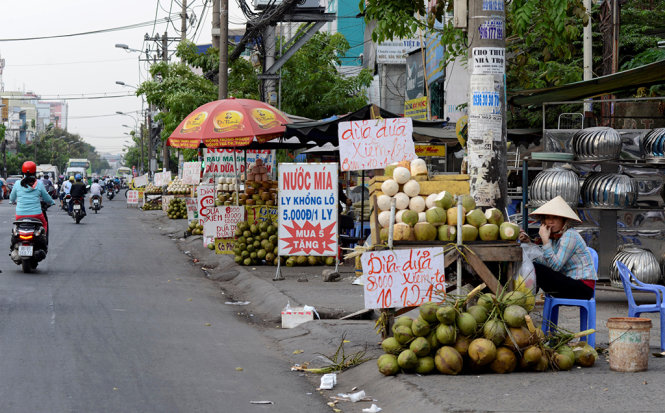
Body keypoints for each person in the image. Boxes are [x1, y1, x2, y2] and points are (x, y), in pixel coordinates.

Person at [518, 196, 597, 300]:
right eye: (547, 218)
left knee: (537, 269)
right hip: (570, 283)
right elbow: (546, 261)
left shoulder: (570, 235)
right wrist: (528, 243)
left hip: (582, 287)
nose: (551, 222)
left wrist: (545, 241)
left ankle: (525, 301)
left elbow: (555, 267)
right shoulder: (555, 238)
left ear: (564, 220)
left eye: (555, 218)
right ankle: (526, 302)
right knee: (533, 267)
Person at [9, 161, 55, 234]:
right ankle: (44, 242)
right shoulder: (39, 184)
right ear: (34, 172)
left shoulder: (17, 183)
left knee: (16, 229)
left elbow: (12, 198)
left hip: (20, 215)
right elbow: (46, 198)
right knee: (44, 224)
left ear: (22, 172)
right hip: (36, 215)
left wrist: (12, 201)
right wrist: (52, 202)